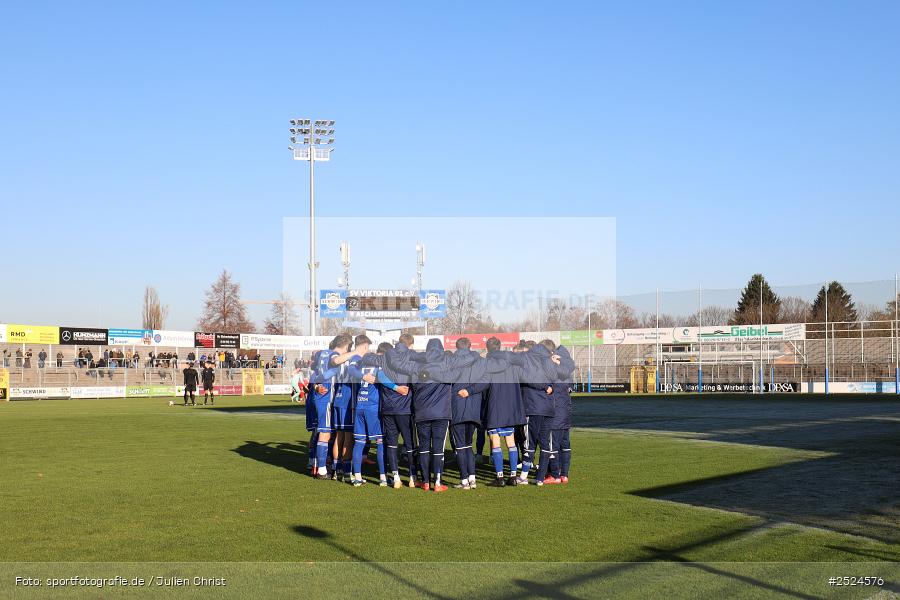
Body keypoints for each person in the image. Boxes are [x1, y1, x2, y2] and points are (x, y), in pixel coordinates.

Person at [387, 335, 477, 492]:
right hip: (441, 413)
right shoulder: (447, 365)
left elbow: (399, 366)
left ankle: (425, 482)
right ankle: (437, 483)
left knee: (423, 448)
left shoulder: (416, 366)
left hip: (421, 412)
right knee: (438, 449)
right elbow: (464, 365)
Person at [348, 339, 409, 487]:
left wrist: (363, 376)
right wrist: (397, 388)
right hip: (373, 407)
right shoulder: (381, 364)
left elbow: (350, 370)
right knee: (381, 441)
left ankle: (357, 477)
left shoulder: (362, 363)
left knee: (359, 442)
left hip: (360, 405)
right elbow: (382, 378)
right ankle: (383, 478)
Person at [309, 335, 358, 480]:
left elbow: (316, 374)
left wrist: (316, 385)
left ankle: (317, 465)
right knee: (325, 433)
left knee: (323, 432)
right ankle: (322, 471)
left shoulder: (323, 353)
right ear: (346, 346)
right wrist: (356, 352)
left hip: (321, 396)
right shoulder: (334, 355)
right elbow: (336, 361)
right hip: (326, 398)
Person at [481, 336, 526, 487]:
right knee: (510, 441)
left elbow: (484, 384)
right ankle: (513, 476)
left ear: (487, 348)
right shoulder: (511, 361)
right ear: (499, 347)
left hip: (494, 405)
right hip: (510, 406)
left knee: (495, 441)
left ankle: (500, 478)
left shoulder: (488, 363)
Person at [380, 335, 420, 488]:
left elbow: (380, 375)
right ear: (410, 345)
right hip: (405, 409)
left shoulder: (387, 357)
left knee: (392, 443)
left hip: (388, 408)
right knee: (409, 443)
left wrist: (394, 387)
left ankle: (396, 477)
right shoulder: (410, 359)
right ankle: (412, 477)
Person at [449, 337, 488, 490]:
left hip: (457, 405)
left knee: (460, 446)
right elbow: (485, 382)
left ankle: (465, 480)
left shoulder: (452, 361)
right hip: (473, 407)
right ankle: (472, 478)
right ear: (470, 346)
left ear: (457, 347)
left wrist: (466, 390)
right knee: (468, 445)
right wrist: (471, 390)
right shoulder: (480, 361)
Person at [548, 343, 576, 484]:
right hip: (566, 413)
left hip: (556, 413)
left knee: (553, 445)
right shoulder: (568, 374)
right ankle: (564, 474)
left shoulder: (555, 372)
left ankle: (555, 474)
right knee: (565, 445)